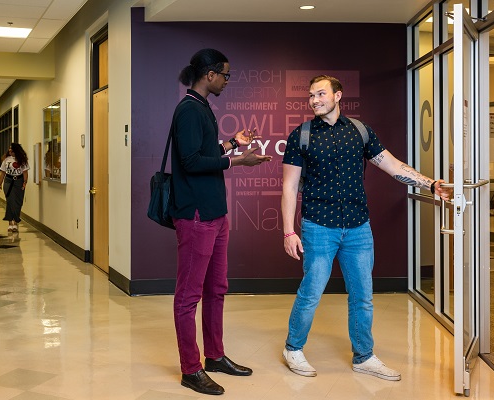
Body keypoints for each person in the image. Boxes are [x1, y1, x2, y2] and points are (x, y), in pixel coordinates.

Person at [280, 75, 452, 381]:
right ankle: (293, 348)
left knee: (362, 295)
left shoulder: (360, 131)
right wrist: (288, 232)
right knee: (312, 292)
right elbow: (290, 187)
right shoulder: (301, 135)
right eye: (310, 95)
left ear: (338, 95)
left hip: (358, 227)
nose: (314, 100)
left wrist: (430, 183)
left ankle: (364, 356)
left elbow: (393, 165)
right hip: (319, 226)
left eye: (320, 93)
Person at [169, 48, 272, 396]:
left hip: (215, 213)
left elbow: (204, 153)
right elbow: (191, 162)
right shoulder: (187, 110)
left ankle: (214, 356)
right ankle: (190, 369)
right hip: (196, 215)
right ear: (209, 74)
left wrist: (231, 143)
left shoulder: (202, 108)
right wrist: (238, 162)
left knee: (217, 290)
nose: (227, 80)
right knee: (188, 296)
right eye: (225, 75)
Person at [0, 143, 29, 232]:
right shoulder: (6, 159)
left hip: (19, 181)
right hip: (8, 181)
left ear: (16, 150)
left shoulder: (22, 159)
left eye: (12, 149)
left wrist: (24, 182)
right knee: (10, 201)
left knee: (18, 202)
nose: (10, 150)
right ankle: (10, 223)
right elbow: (3, 172)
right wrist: (0, 184)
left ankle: (15, 222)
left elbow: (25, 172)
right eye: (9, 149)